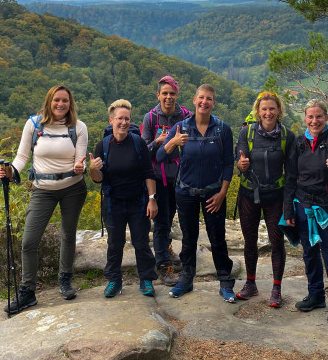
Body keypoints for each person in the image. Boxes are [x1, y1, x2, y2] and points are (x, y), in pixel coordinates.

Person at [0, 85, 88, 313]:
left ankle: (65, 279)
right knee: (29, 241)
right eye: (56, 100)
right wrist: (10, 172)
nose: (60, 104)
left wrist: (81, 167)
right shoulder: (34, 124)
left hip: (73, 188)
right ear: (49, 101)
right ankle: (28, 291)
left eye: (65, 101)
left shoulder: (78, 127)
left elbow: (81, 160)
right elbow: (21, 157)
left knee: (68, 234)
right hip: (43, 190)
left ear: (70, 103)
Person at [156, 84, 236, 302]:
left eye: (209, 98)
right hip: (186, 192)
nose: (204, 102)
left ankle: (226, 281)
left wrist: (222, 193)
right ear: (193, 100)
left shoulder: (222, 129)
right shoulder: (182, 127)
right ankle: (185, 279)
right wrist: (172, 141)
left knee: (217, 238)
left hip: (213, 193)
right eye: (201, 97)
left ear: (213, 103)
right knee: (188, 237)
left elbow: (229, 163)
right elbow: (160, 157)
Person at [283, 99, 328, 326]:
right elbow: (291, 177)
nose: (314, 121)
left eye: (319, 117)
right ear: (305, 117)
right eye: (310, 117)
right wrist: (288, 208)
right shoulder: (299, 142)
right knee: (309, 253)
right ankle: (316, 295)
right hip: (304, 207)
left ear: (326, 118)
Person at [88, 100, 159, 298]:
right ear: (111, 121)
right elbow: (98, 180)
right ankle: (114, 280)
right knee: (114, 243)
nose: (124, 122)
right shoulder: (103, 145)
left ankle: (146, 279)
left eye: (127, 119)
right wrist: (93, 169)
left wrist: (152, 199)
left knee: (141, 242)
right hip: (113, 202)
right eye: (120, 118)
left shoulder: (138, 143)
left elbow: (148, 172)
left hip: (138, 200)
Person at [235, 92, 295, 307]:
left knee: (276, 241)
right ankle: (251, 284)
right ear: (257, 111)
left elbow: (291, 174)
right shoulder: (246, 132)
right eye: (264, 109)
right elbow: (239, 157)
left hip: (275, 196)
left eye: (272, 109)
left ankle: (276, 288)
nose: (268, 113)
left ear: (279, 111)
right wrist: (241, 166)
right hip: (249, 195)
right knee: (249, 241)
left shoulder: (288, 136)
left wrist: (288, 207)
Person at [141, 75, 192, 287]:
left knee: (171, 216)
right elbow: (144, 151)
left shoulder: (186, 116)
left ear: (176, 94)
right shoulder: (151, 118)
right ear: (158, 95)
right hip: (158, 177)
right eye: (165, 93)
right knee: (161, 222)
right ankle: (163, 265)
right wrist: (158, 142)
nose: (168, 97)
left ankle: (166, 249)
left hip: (181, 177)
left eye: (172, 93)